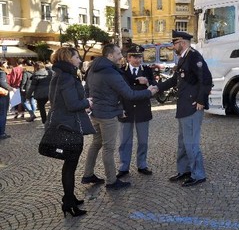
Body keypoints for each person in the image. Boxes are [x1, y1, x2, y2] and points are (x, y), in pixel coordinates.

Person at [81, 43, 158, 190]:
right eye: (118, 54)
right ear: (110, 56)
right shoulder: (112, 71)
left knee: (96, 143)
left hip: (98, 112)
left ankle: (88, 174)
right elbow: (128, 93)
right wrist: (149, 92)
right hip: (109, 113)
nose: (120, 57)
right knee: (109, 148)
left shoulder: (93, 68)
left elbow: (87, 89)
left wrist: (90, 104)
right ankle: (111, 181)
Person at [158, 30, 213, 187]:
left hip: (192, 106)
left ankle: (198, 174)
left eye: (174, 43)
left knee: (191, 143)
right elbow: (175, 79)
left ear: (182, 43)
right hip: (184, 107)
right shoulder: (184, 58)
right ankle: (184, 170)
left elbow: (206, 80)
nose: (173, 46)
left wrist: (201, 100)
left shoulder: (194, 57)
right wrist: (157, 87)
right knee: (183, 142)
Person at [48, 47, 94, 217]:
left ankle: (70, 197)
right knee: (70, 166)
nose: (80, 60)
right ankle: (68, 202)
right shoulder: (67, 77)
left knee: (69, 165)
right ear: (68, 59)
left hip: (64, 124)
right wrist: (87, 102)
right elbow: (72, 104)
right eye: (76, 57)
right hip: (70, 126)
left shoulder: (59, 74)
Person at [117, 44, 156, 178]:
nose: (137, 60)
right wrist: (119, 108)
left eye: (140, 57)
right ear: (128, 58)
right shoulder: (121, 71)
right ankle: (123, 167)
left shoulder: (147, 70)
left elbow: (155, 89)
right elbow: (118, 93)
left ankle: (142, 164)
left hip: (142, 110)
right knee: (125, 141)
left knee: (143, 141)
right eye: (134, 57)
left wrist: (147, 83)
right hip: (126, 110)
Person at [0, 60, 14, 139]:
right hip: (2, 95)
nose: (7, 65)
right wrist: (10, 88)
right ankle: (1, 133)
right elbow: (2, 82)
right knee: (2, 114)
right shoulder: (2, 72)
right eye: (6, 63)